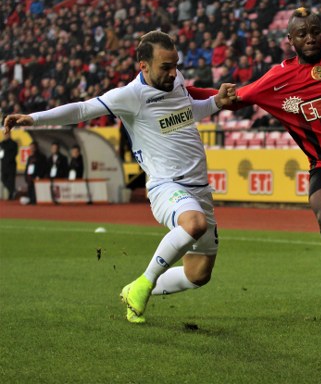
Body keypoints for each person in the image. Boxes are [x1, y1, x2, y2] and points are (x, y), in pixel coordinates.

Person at [189, 8, 321, 333]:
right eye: (302, 33)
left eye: (315, 30)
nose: (310, 37)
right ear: (290, 40)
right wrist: (181, 90)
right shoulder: (277, 79)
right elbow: (232, 98)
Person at [4, 30, 239, 324]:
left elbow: (188, 112)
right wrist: (34, 118)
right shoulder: (131, 96)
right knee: (194, 224)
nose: (174, 72)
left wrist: (217, 102)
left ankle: (135, 289)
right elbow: (82, 109)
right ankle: (145, 281)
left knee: (198, 274)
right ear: (143, 65)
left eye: (175, 64)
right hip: (167, 186)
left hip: (200, 190)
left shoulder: (176, 83)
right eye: (165, 66)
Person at [0, 129, 18, 200]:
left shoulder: (13, 143)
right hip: (4, 165)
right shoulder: (1, 143)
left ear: (10, 134)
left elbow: (15, 153)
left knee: (11, 180)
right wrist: (2, 159)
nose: (6, 135)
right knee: (3, 179)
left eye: (7, 134)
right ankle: (12, 191)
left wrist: (8, 159)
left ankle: (11, 195)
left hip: (11, 165)